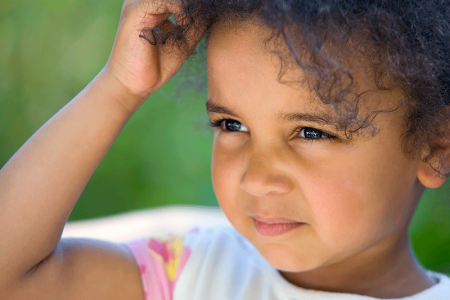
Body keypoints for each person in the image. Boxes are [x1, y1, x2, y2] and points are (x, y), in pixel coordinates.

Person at [1, 0, 450, 299]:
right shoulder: (191, 273)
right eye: (232, 124)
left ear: (436, 146)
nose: (256, 178)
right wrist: (118, 89)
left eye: (312, 132)